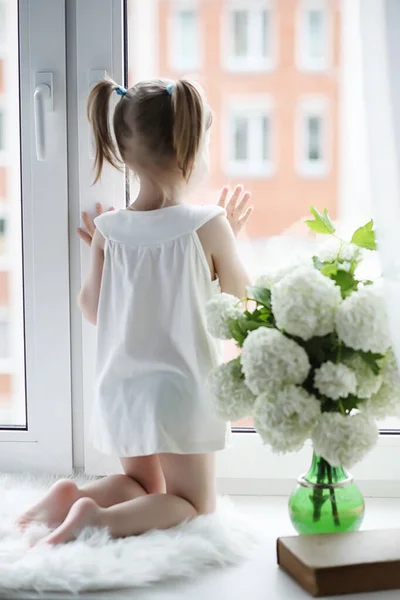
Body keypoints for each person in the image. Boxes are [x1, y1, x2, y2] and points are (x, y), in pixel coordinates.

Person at [17, 78, 253, 544]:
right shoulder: (208, 224)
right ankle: (95, 521)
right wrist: (230, 244)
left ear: (124, 152)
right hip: (181, 394)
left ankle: (68, 496)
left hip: (121, 389)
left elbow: (91, 308)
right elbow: (240, 305)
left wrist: (110, 261)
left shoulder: (109, 228)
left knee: (143, 486)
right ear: (192, 147)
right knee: (194, 505)